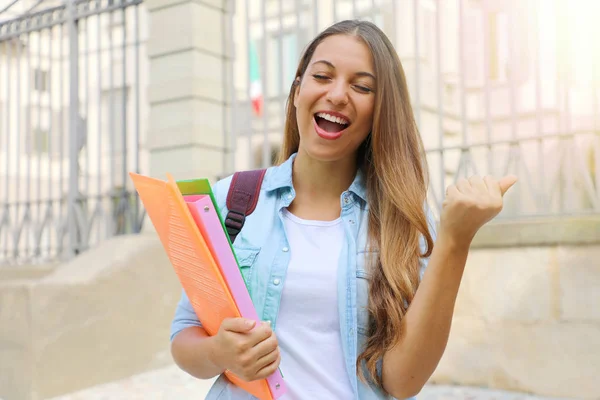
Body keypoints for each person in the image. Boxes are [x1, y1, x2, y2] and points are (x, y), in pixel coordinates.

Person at [169, 20, 517, 400]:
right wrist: (220, 353)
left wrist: (455, 239)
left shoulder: (403, 223)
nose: (337, 95)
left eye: (362, 86)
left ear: (379, 111)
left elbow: (403, 382)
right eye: (322, 76)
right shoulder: (232, 200)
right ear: (298, 89)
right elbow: (185, 337)